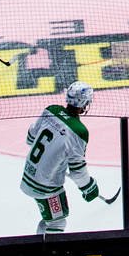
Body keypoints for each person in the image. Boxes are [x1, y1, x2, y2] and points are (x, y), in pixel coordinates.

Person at [20, 82, 101, 233]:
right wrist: (88, 187)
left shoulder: (51, 110)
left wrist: (54, 158)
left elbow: (30, 139)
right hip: (45, 186)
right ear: (85, 103)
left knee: (50, 220)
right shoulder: (79, 131)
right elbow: (77, 170)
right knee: (56, 224)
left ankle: (40, 248)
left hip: (28, 175)